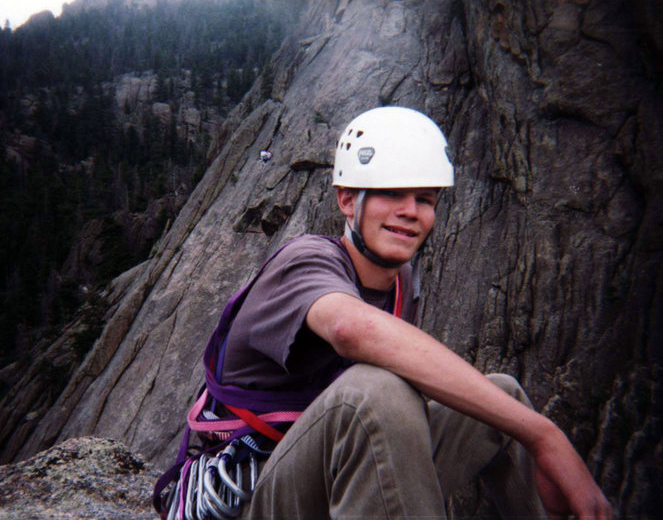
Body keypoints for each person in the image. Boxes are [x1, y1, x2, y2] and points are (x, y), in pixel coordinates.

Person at [187, 106, 612, 519]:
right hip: (246, 497)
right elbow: (350, 329)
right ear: (348, 200)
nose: (411, 211)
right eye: (392, 192)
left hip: (325, 475)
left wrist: (526, 429)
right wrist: (545, 435)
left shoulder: (400, 284)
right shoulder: (305, 260)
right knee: (374, 391)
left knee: (502, 399)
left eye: (425, 199)